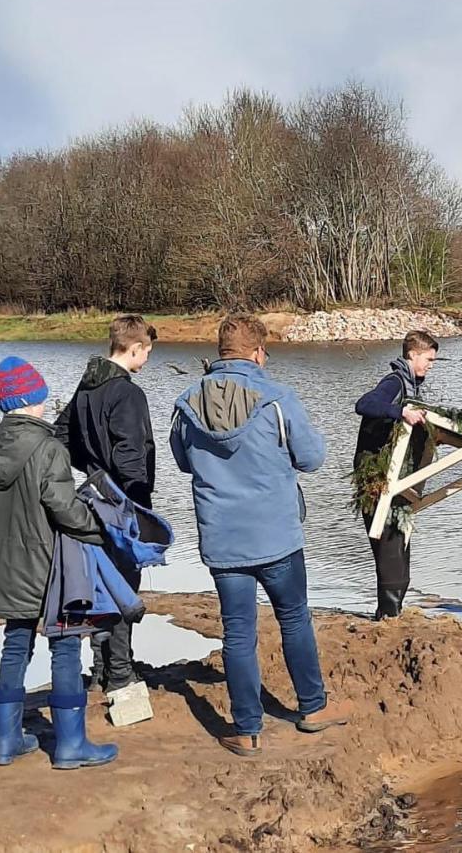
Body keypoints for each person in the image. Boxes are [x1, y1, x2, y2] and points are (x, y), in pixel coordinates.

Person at [170, 314, 351, 756]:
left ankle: (247, 729)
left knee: (237, 633)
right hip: (276, 534)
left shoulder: (186, 403)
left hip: (223, 537)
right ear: (257, 353)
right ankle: (312, 706)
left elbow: (181, 461)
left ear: (220, 352)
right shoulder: (276, 398)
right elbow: (311, 458)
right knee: (294, 618)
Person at [0, 356, 118, 769]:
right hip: (49, 564)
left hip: (5, 567)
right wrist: (98, 530)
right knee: (67, 645)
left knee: (16, 643)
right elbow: (64, 508)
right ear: (34, 399)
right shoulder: (48, 447)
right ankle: (71, 745)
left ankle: (5, 742)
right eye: (40, 396)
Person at [55, 314, 157, 693]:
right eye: (146, 352)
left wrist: (92, 473)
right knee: (123, 585)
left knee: (103, 581)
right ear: (133, 348)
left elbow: (61, 439)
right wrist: (138, 504)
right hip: (122, 501)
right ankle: (120, 672)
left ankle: (102, 669)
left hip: (94, 498)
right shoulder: (127, 393)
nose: (147, 360)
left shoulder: (86, 387)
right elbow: (131, 453)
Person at [353, 330, 439, 619]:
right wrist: (401, 413)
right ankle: (388, 615)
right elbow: (364, 404)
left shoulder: (412, 387)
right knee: (389, 546)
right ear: (412, 354)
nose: (431, 365)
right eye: (428, 359)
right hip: (377, 478)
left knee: (400, 544)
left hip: (397, 481)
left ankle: (394, 611)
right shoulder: (394, 383)